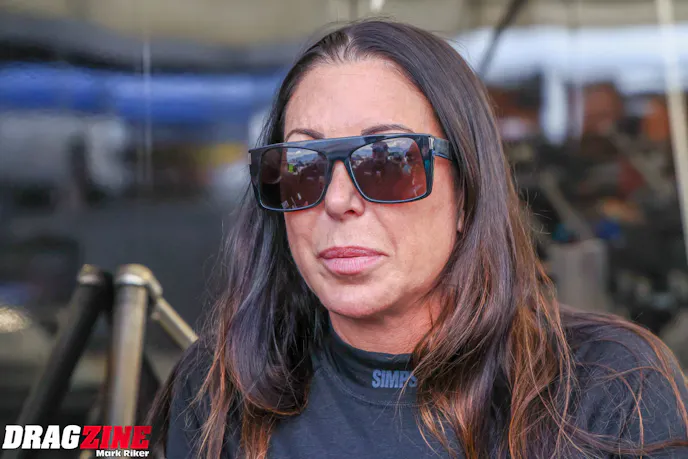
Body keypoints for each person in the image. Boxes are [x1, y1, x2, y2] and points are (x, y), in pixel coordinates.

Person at [148, 20, 688, 459]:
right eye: (302, 166)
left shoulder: (610, 387)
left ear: (467, 193)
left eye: (387, 161)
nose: (338, 200)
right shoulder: (218, 387)